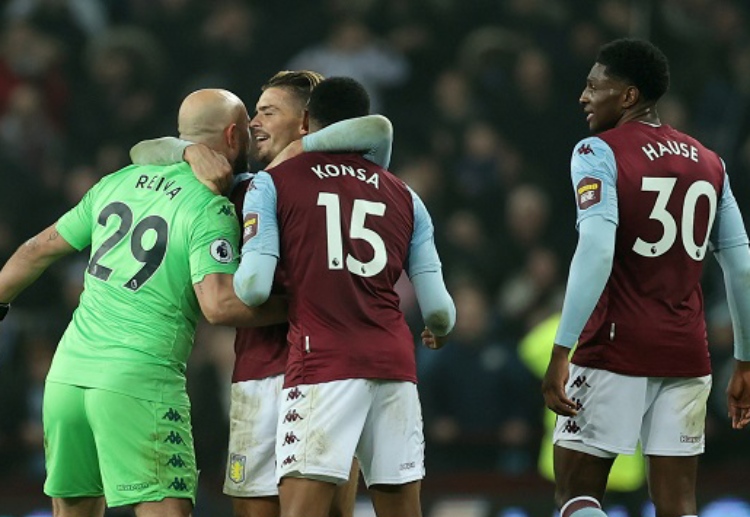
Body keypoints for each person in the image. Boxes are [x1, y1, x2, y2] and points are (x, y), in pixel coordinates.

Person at [0, 88, 287, 517]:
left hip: (66, 379)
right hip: (138, 380)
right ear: (232, 135)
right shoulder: (210, 206)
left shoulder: (114, 183)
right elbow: (219, 306)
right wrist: (302, 306)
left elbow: (35, 251)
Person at [131, 70, 394, 517]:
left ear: (307, 122)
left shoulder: (340, 184)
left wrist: (303, 150)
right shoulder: (242, 187)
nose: (254, 122)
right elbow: (141, 153)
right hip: (255, 372)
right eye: (254, 112)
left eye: (269, 112)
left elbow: (379, 129)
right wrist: (190, 148)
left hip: (322, 374)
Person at [541, 38, 750, 517]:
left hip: (614, 345)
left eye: (595, 86)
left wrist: (561, 349)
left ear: (629, 96)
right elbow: (740, 266)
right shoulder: (710, 162)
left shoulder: (598, 150)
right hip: (686, 353)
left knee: (576, 493)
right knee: (678, 504)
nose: (583, 96)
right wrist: (745, 362)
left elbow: (595, 247)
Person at [234, 76, 456, 517]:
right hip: (394, 366)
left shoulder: (274, 182)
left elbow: (254, 286)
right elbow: (439, 309)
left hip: (323, 363)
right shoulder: (405, 194)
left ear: (307, 122)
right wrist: (437, 331)